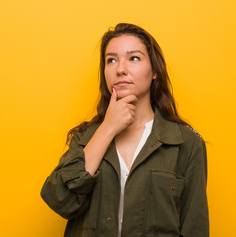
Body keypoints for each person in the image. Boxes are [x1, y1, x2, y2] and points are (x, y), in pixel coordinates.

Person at [41, 23, 209, 237]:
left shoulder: (186, 143)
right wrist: (107, 129)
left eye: (134, 58)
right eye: (111, 60)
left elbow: (195, 228)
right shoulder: (85, 137)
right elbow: (59, 201)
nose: (120, 69)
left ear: (155, 71)